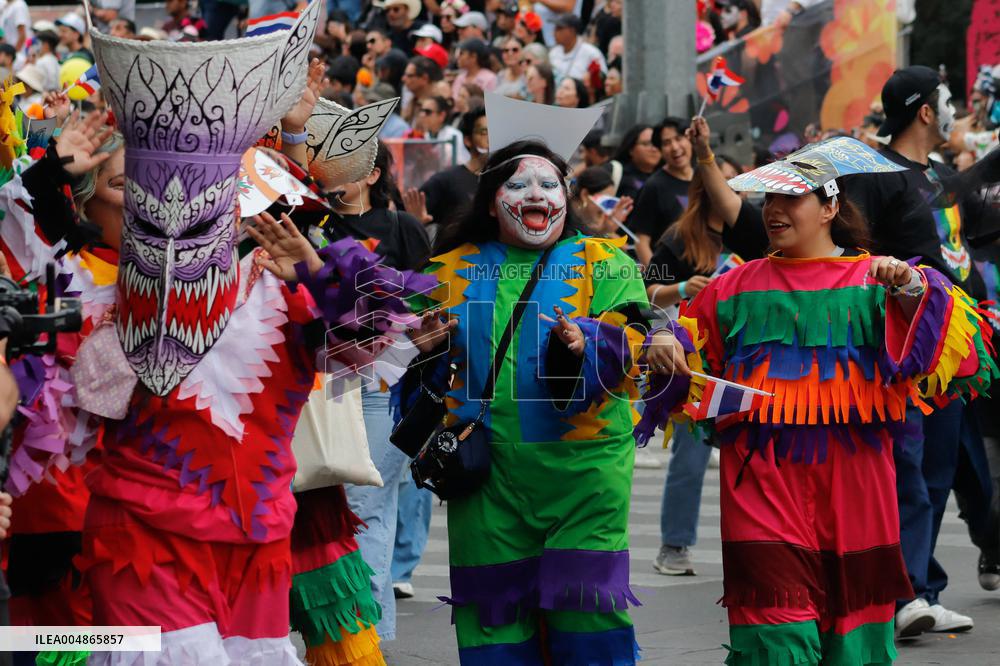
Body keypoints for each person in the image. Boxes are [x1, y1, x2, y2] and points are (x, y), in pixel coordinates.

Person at [640, 138, 996, 666]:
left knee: (853, 646)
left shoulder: (878, 278)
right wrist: (659, 336)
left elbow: (963, 350)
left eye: (793, 198)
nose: (775, 211)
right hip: (761, 488)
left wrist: (913, 288)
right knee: (773, 641)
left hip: (856, 491)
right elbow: (679, 361)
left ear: (831, 207)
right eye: (770, 200)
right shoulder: (733, 286)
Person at [404, 138, 648, 665]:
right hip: (488, 480)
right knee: (493, 623)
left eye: (549, 184)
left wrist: (590, 341)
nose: (535, 194)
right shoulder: (447, 269)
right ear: (492, 200)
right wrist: (419, 349)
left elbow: (637, 339)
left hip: (585, 475)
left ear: (567, 197)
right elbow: (390, 365)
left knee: (589, 620)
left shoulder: (604, 262)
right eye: (517, 184)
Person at [838, 65, 1000, 638]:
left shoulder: (943, 176)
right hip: (902, 348)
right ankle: (901, 592)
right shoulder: (875, 172)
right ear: (925, 111)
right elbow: (851, 251)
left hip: (951, 348)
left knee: (936, 473)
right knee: (905, 469)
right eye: (947, 98)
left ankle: (921, 590)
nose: (955, 107)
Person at [644, 160, 744, 578]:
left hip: (747, 357)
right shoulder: (680, 235)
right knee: (691, 453)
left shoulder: (755, 231)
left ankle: (756, 545)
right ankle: (674, 544)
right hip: (694, 362)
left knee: (752, 457)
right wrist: (684, 288)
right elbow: (645, 292)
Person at [407, 107, 488, 234]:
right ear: (467, 140)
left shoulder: (507, 181)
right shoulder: (444, 181)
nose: (491, 138)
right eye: (484, 132)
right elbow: (412, 221)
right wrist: (417, 223)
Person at [631, 117, 694, 266]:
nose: (674, 147)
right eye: (666, 143)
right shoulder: (654, 186)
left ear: (690, 139)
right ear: (660, 150)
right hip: (674, 279)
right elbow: (641, 241)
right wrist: (657, 279)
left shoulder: (704, 176)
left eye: (679, 138)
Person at [548, 13, 605, 82]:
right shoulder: (553, 53)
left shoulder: (592, 53)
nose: (554, 33)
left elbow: (601, 81)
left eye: (559, 29)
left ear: (572, 31)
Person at [613, 124, 661, 202]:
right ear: (631, 149)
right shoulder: (617, 173)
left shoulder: (666, 177)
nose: (654, 149)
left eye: (657, 144)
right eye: (646, 144)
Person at [402, 55, 443, 124]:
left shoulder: (437, 106)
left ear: (424, 78)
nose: (403, 79)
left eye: (410, 76)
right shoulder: (412, 101)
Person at [0, 0, 30, 68]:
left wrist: (13, 56)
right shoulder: (5, 4)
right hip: (7, 56)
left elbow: (22, 36)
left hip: (15, 58)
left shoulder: (19, 6)